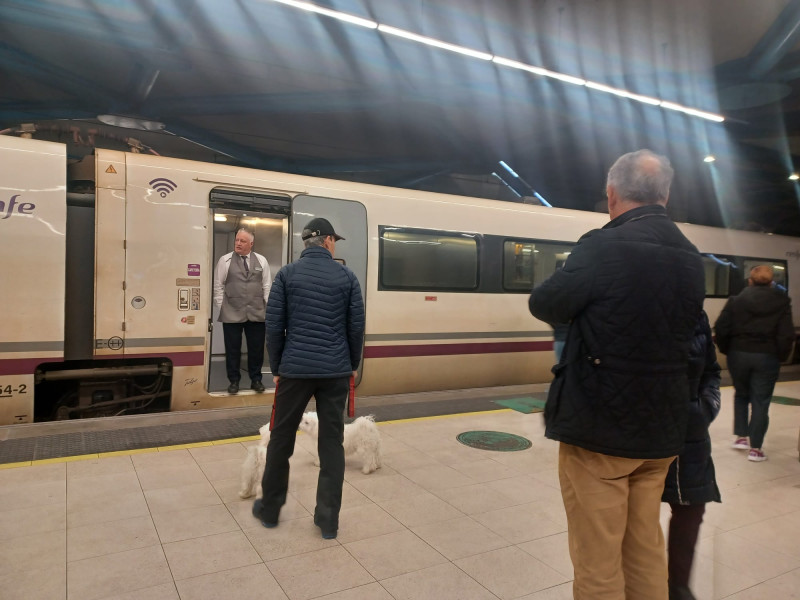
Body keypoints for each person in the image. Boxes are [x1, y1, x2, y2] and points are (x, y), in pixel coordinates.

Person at [529, 149, 705, 600]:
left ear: (611, 195)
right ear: (664, 195)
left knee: (597, 560)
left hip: (601, 431)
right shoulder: (689, 255)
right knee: (644, 547)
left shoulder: (602, 244)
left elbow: (545, 303)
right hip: (662, 434)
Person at [253, 217, 365, 540]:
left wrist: (277, 368)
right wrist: (352, 364)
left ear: (307, 243)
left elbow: (274, 327)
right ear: (328, 241)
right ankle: (328, 520)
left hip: (295, 372)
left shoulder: (287, 275)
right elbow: (355, 326)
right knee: (331, 446)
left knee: (281, 440)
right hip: (334, 373)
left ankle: (271, 511)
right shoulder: (347, 277)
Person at [661, 311, 721, 600]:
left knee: (691, 506)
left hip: (689, 429)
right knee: (636, 512)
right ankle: (642, 585)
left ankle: (678, 587)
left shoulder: (693, 310)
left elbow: (711, 369)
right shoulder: (623, 293)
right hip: (634, 433)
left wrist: (705, 408)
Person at [713, 265, 794, 462]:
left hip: (738, 354)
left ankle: (741, 438)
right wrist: (779, 356)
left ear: (750, 280)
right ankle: (756, 449)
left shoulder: (736, 300)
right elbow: (786, 334)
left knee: (741, 395)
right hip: (767, 356)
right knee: (761, 401)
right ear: (772, 281)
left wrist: (728, 349)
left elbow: (721, 328)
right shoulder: (782, 302)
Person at [213, 228, 271, 394]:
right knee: (232, 350)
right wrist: (222, 306)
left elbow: (267, 286)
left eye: (242, 241)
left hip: (257, 312)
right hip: (231, 312)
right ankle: (234, 381)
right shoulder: (225, 260)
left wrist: (269, 308)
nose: (238, 243)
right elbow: (218, 286)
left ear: (251, 244)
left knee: (256, 349)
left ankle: (256, 380)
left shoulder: (261, 260)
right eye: (237, 240)